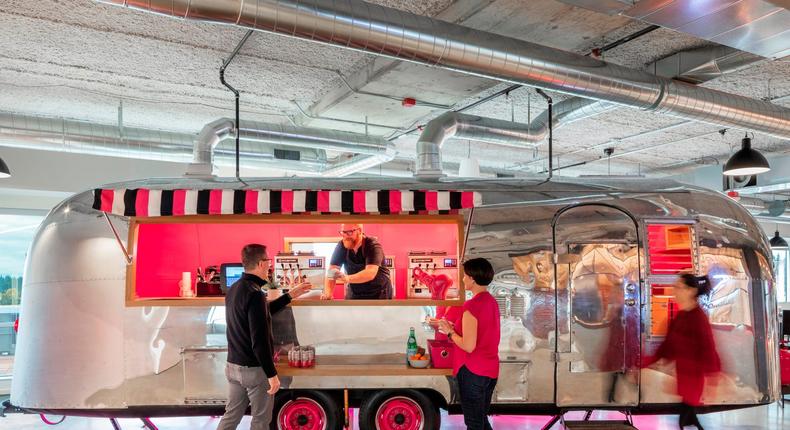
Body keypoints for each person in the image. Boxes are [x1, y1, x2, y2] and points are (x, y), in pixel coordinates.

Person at [217, 244, 312, 430]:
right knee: (260, 421)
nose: (269, 265)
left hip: (233, 367)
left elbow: (261, 313)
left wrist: (289, 296)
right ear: (261, 263)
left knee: (231, 417)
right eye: (268, 261)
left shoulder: (234, 289)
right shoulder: (255, 294)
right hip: (254, 371)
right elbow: (259, 341)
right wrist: (272, 374)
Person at [643, 273, 721, 430]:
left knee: (686, 413)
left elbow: (708, 348)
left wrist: (713, 377)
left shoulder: (698, 318)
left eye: (678, 287)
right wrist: (648, 363)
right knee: (687, 414)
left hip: (693, 377)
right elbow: (668, 346)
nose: (674, 291)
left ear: (690, 291)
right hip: (684, 375)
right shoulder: (681, 316)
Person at [438, 258, 500, 430]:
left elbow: (468, 346)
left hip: (473, 371)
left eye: (465, 276)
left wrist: (449, 332)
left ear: (472, 278)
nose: (463, 279)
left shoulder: (471, 306)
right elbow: (483, 333)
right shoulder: (491, 302)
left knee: (474, 423)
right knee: (481, 420)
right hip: (490, 370)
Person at [321, 224, 392, 300]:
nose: (346, 236)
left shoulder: (372, 245)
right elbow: (332, 271)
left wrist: (347, 278)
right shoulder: (341, 246)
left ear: (360, 231)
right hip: (355, 292)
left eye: (350, 232)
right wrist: (328, 294)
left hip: (378, 292)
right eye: (343, 232)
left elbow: (370, 273)